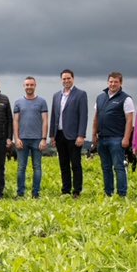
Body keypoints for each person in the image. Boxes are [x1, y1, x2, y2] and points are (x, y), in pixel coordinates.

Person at [92, 72, 134, 197]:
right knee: (106, 168)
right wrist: (93, 134)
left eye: (116, 81)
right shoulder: (100, 98)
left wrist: (126, 138)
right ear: (107, 82)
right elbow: (96, 118)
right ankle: (108, 193)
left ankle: (122, 194)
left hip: (117, 139)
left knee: (118, 167)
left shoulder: (126, 99)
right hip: (102, 138)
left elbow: (129, 120)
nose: (113, 84)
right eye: (111, 81)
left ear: (120, 83)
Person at [49, 69, 88, 198]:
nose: (66, 81)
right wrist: (52, 136)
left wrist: (81, 135)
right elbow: (54, 116)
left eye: (68, 78)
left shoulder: (81, 94)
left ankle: (76, 191)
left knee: (75, 164)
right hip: (59, 135)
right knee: (63, 164)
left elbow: (83, 116)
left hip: (74, 136)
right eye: (64, 79)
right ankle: (65, 190)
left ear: (73, 79)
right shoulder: (56, 95)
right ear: (61, 80)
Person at [13, 76, 48, 198]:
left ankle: (35, 193)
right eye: (27, 85)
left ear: (35, 85)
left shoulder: (42, 102)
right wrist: (16, 138)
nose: (29, 87)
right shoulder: (18, 102)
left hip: (37, 139)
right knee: (21, 167)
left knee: (37, 167)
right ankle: (20, 194)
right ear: (24, 86)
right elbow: (16, 121)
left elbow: (45, 121)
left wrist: (44, 139)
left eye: (31, 85)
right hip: (22, 139)